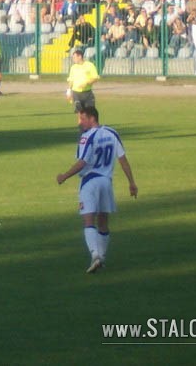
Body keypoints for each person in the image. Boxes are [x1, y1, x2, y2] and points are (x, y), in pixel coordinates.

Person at [56, 105, 137, 273]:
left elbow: (82, 162)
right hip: (106, 182)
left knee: (88, 220)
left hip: (90, 182)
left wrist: (64, 176)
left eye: (82, 118)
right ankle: (101, 258)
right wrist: (131, 182)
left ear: (92, 118)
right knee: (103, 223)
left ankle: (95, 255)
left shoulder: (86, 137)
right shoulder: (112, 133)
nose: (80, 122)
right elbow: (123, 160)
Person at [66, 47, 100, 112]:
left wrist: (87, 83)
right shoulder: (73, 67)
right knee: (80, 112)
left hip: (87, 93)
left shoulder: (90, 65)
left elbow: (95, 78)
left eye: (74, 57)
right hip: (76, 93)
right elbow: (71, 80)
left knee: (90, 113)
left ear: (80, 57)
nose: (73, 59)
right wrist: (68, 92)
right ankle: (81, 122)